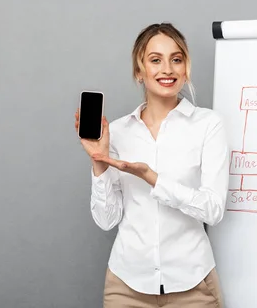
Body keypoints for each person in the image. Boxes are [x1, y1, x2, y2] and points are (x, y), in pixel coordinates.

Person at [74, 23, 230, 307]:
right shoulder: (118, 132)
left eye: (176, 59)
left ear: (185, 68)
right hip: (126, 285)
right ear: (139, 71)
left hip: (193, 284)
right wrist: (99, 163)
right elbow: (106, 220)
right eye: (155, 60)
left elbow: (213, 209)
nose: (167, 69)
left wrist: (153, 178)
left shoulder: (208, 125)